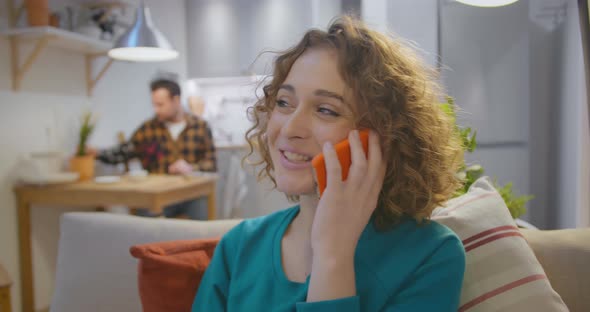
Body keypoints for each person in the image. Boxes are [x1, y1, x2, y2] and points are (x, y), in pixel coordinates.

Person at [192, 16, 465, 311]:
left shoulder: (430, 254)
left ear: (387, 135)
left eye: (326, 110)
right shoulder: (238, 247)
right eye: (284, 102)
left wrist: (332, 256)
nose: (289, 128)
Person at [92, 78, 217, 219]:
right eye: (154, 105)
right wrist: (96, 153)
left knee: (200, 217)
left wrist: (190, 168)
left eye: (160, 105)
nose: (156, 110)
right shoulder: (149, 128)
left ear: (176, 100)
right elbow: (124, 151)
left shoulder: (200, 126)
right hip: (158, 195)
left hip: (191, 194)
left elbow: (211, 164)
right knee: (146, 216)